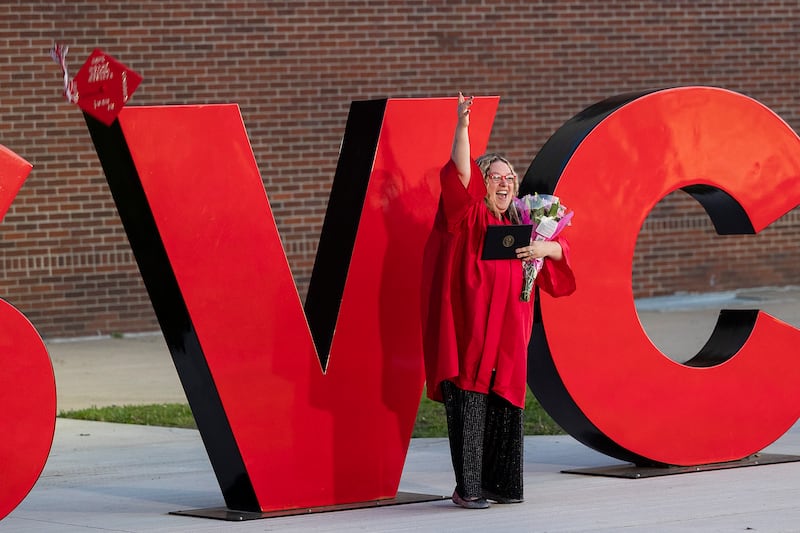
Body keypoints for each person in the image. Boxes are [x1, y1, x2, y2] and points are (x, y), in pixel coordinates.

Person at [421, 92, 576, 509]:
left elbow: (564, 258)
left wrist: (546, 250)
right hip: (470, 333)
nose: (504, 183)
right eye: (495, 177)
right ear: (480, 183)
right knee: (471, 404)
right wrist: (463, 128)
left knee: (506, 403)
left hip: (509, 336)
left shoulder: (525, 224)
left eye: (510, 177)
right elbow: (460, 172)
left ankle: (502, 485)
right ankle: (468, 488)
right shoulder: (468, 218)